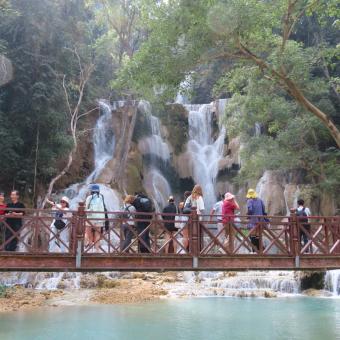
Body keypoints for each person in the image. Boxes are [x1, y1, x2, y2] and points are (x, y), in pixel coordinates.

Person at [85, 184, 107, 252]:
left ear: (91, 191)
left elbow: (86, 208)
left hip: (90, 219)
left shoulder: (89, 197)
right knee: (97, 235)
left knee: (88, 234)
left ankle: (90, 249)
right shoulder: (101, 197)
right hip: (100, 219)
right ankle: (97, 250)